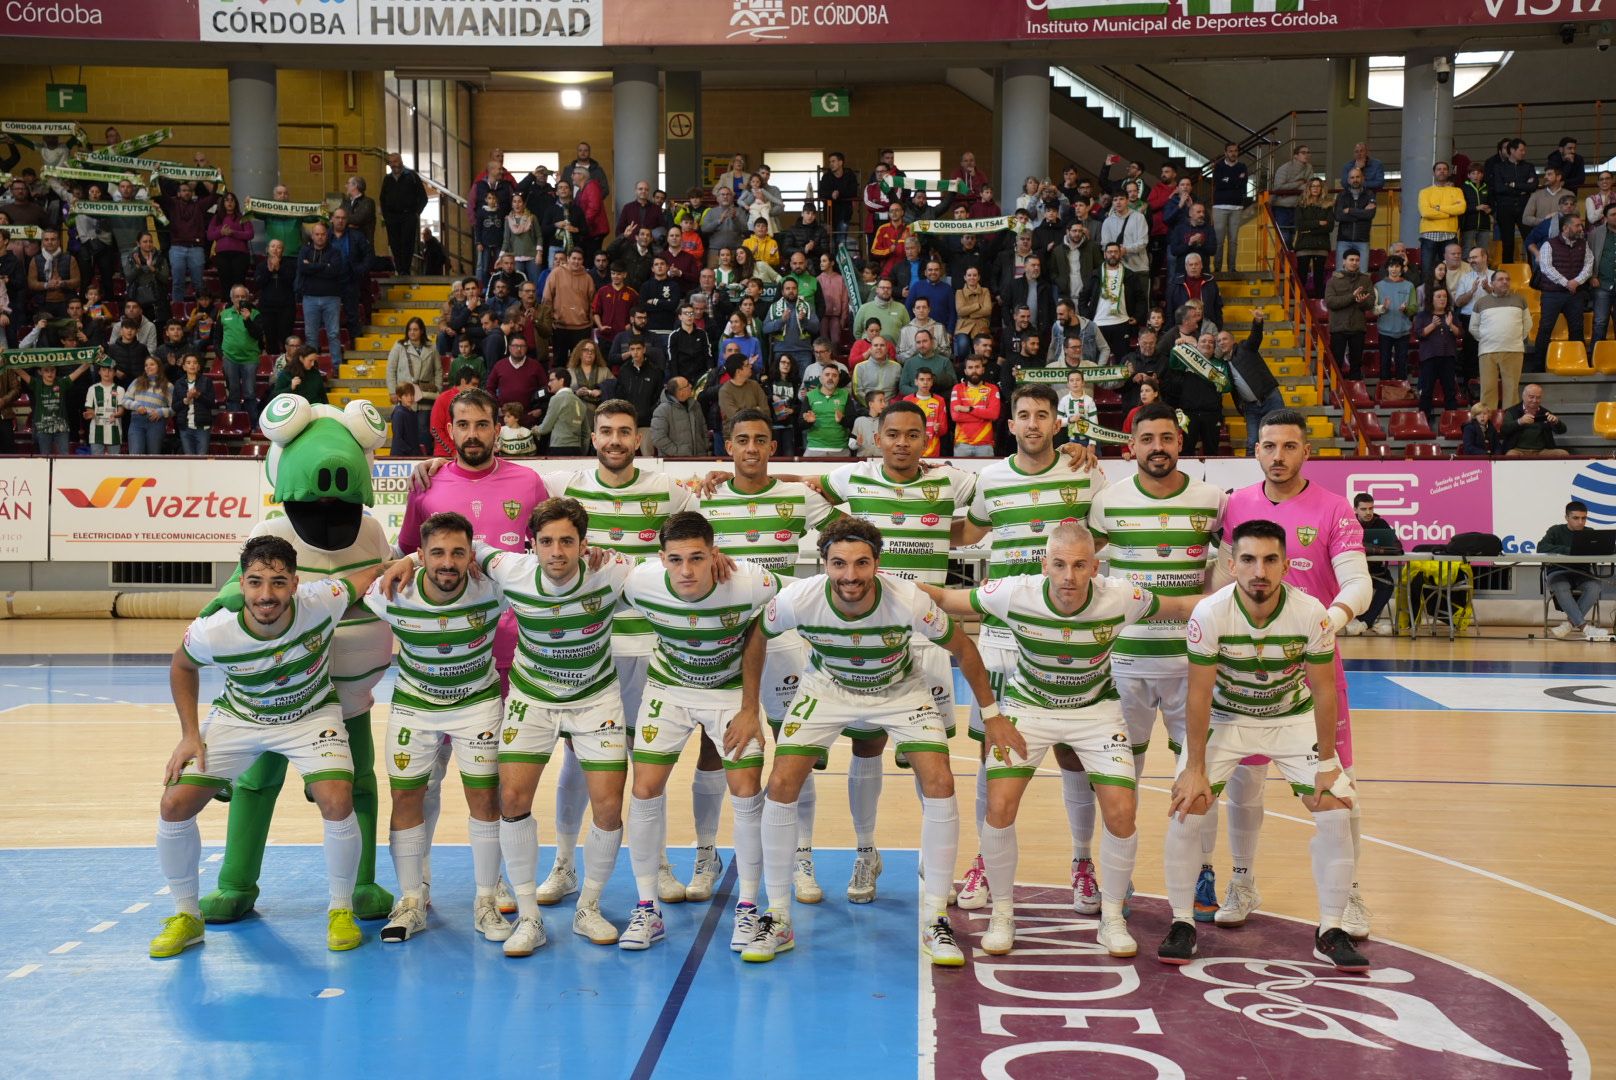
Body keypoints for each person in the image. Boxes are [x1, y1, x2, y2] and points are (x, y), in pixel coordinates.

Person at [929, 518, 1203, 956]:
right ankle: (1002, 914)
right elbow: (945, 597)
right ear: (1044, 565)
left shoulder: (1122, 597)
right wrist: (884, 585)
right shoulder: (1012, 593)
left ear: (1096, 567)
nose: (1069, 577)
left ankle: (1112, 918)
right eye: (1059, 565)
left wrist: (1239, 596)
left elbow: (1183, 608)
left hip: (1095, 710)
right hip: (1027, 707)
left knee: (1122, 810)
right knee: (999, 804)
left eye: (1079, 566)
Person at [741, 516, 998, 966]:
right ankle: (778, 915)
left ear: (877, 564)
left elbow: (963, 648)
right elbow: (757, 638)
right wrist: (748, 709)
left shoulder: (908, 600)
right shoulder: (798, 598)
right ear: (823, 564)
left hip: (899, 689)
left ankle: (936, 916)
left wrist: (992, 716)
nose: (850, 575)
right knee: (781, 784)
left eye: (861, 564)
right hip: (828, 687)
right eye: (838, 564)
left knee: (940, 782)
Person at [149, 537, 382, 958]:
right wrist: (189, 734)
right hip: (241, 717)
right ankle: (186, 916)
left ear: (295, 583)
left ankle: (341, 910)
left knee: (337, 798)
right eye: (255, 583)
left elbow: (365, 577)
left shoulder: (321, 600)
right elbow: (181, 664)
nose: (266, 595)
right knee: (174, 804)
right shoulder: (214, 630)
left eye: (278, 582)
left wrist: (407, 563)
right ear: (242, 583)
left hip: (310, 716)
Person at [1157, 520, 1369, 974]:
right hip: (1226, 718)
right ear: (1231, 565)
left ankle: (1330, 929)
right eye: (1249, 560)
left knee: (1335, 805)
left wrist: (1328, 761)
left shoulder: (1310, 613)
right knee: (1187, 802)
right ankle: (1180, 922)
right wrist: (1194, 767)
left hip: (1289, 719)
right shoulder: (1210, 614)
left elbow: (1325, 690)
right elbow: (1197, 694)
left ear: (1285, 565)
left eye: (1270, 560)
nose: (1260, 571)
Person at [1216, 410, 1373, 940]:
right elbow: (1221, 577)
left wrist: (1325, 623)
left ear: (1306, 451)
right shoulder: (1236, 504)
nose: (1278, 456)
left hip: (1313, 669)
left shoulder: (1333, 508)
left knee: (1338, 785)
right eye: (1268, 446)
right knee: (1245, 781)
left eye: (1289, 446)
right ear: (1255, 451)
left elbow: (1359, 583)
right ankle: (1242, 880)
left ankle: (1349, 892)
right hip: (1243, 669)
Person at [366, 513, 512, 946]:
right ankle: (411, 900)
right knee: (406, 795)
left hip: (478, 704)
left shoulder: (494, 588)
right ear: (421, 556)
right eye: (436, 553)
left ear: (472, 556)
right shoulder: (392, 591)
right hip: (415, 706)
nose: (447, 562)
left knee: (485, 798)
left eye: (457, 552)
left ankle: (485, 900)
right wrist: (399, 561)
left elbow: (539, 567)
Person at [1540, 500, 1612, 641]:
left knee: (1595, 586)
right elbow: (1541, 547)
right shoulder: (1555, 531)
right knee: (1560, 586)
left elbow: (1603, 550)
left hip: (1582, 573)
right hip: (1558, 572)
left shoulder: (1589, 533)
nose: (1580, 522)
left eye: (1584, 518)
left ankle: (1569, 625)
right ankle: (1584, 627)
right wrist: (1569, 551)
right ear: (1566, 517)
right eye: (1576, 518)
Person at [1532, 213, 1593, 366]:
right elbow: (1546, 267)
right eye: (1577, 225)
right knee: (1545, 329)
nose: (1581, 228)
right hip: (1552, 294)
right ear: (1566, 228)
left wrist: (1576, 282)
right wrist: (1567, 283)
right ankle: (1538, 367)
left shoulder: (1583, 244)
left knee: (1577, 329)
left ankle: (1576, 363)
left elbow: (1589, 265)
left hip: (1575, 294)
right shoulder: (1549, 244)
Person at [1346, 493, 1403, 637]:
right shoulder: (1348, 523)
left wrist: (1367, 548)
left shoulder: (1381, 523)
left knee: (1388, 585)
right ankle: (1349, 621)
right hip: (1353, 572)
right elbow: (1346, 545)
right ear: (1355, 510)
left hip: (1377, 573)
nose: (1368, 512)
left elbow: (1397, 548)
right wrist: (1378, 549)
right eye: (1364, 509)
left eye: (1371, 508)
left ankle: (1364, 623)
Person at [1082, 242, 1147, 360]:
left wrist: (1137, 316)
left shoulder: (1130, 275)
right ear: (1105, 254)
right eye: (1110, 252)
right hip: (1098, 323)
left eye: (1116, 252)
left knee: (1123, 360)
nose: (1113, 255)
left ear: (1120, 254)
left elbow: (1141, 298)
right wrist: (1087, 318)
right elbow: (1083, 298)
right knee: (1098, 361)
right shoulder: (1095, 274)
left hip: (1121, 322)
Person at [297, 223, 347, 371]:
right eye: (317, 234)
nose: (320, 237)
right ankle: (312, 368)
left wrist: (311, 267)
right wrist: (324, 266)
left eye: (323, 234)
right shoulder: (304, 250)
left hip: (331, 298)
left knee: (333, 333)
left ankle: (337, 367)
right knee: (310, 335)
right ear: (312, 236)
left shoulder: (335, 252)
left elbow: (334, 271)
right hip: (309, 298)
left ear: (327, 235)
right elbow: (302, 268)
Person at [1412, 287, 1462, 424]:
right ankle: (1423, 422)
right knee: (1426, 390)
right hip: (1429, 357)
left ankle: (1453, 421)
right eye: (1438, 296)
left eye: (1444, 296)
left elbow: (1459, 334)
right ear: (1431, 299)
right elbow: (1419, 334)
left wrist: (1450, 324)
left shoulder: (1450, 314)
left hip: (1448, 357)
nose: (1442, 299)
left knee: (1450, 391)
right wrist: (1433, 325)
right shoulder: (1423, 315)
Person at [1323, 249, 1375, 380]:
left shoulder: (1366, 280)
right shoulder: (1333, 281)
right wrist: (1352, 297)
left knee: (1356, 365)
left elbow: (1370, 303)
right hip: (1338, 327)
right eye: (1351, 260)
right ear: (1344, 261)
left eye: (1357, 260)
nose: (1354, 262)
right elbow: (1331, 302)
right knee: (1336, 364)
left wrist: (1362, 302)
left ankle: (1355, 394)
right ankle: (1335, 394)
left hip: (1358, 327)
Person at [381, 152, 430, 273]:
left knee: (407, 243)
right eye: (391, 162)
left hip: (408, 216)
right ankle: (399, 268)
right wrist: (386, 215)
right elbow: (382, 198)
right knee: (394, 244)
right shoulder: (387, 179)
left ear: (401, 161)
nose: (394, 165)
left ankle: (405, 270)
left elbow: (423, 197)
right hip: (392, 217)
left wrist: (416, 213)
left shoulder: (412, 176)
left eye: (395, 161)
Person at [1417, 163, 1467, 277]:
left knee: (1451, 270)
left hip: (1449, 235)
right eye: (1439, 169)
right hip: (1429, 235)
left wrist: (1439, 208)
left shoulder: (1457, 191)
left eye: (1445, 169)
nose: (1442, 171)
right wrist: (1449, 213)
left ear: (1448, 172)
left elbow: (1461, 208)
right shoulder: (1424, 192)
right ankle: (1428, 294)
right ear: (1434, 173)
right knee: (1427, 269)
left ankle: (1448, 294)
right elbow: (1425, 212)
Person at [1500, 383, 1569, 457]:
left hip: (1542, 451)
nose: (1535, 400)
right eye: (1531, 397)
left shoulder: (1545, 413)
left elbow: (1562, 430)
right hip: (1518, 450)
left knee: (1563, 454)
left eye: (1538, 397)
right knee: (1511, 455)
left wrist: (1556, 422)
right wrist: (1519, 422)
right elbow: (1504, 430)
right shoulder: (1512, 411)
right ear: (1523, 396)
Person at [1210, 143, 1249, 273]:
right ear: (1225, 152)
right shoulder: (1219, 166)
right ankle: (1217, 268)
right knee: (1219, 240)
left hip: (1237, 207)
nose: (1233, 153)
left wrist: (1227, 180)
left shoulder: (1242, 166)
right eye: (1230, 151)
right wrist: (1235, 181)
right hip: (1220, 206)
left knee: (1233, 240)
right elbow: (1218, 184)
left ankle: (1232, 268)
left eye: (1235, 151)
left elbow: (1242, 184)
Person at [207, 192, 255, 296]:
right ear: (223, 203)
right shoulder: (217, 217)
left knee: (239, 283)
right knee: (225, 283)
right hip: (222, 256)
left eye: (232, 200)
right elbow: (209, 236)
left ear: (235, 203)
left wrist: (233, 232)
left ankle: (240, 306)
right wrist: (221, 232)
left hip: (240, 255)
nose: (229, 202)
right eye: (227, 200)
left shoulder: (243, 216)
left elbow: (250, 234)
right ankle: (227, 308)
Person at [1293, 178, 1334, 297]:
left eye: (1318, 186)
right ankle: (1298, 303)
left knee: (1319, 278)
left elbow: (1329, 227)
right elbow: (1299, 225)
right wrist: (1318, 223)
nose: (1315, 188)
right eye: (1313, 186)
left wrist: (1309, 228)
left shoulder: (1328, 205)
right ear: (1308, 188)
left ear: (1322, 189)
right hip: (1304, 245)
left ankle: (1318, 304)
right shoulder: (1301, 205)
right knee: (1301, 277)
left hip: (1321, 245)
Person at [650, 376, 708, 456]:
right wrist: (678, 453)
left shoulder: (695, 405)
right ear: (680, 392)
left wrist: (705, 447)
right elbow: (658, 439)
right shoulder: (662, 411)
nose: (691, 386)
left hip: (699, 458)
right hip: (674, 462)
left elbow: (703, 428)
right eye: (687, 385)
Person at [534, 368, 587, 454]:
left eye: (551, 380)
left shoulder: (556, 398)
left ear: (561, 381)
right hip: (577, 448)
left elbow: (545, 428)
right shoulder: (580, 402)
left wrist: (534, 430)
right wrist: (582, 452)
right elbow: (586, 433)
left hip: (559, 447)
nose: (548, 383)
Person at [1268, 145, 1312, 247]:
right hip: (1281, 206)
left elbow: (1309, 185)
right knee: (1285, 236)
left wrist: (1297, 185)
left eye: (1308, 152)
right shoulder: (1284, 168)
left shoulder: (1309, 167)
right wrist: (1298, 183)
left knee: (1296, 236)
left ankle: (1291, 261)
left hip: (1298, 206)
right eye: (1303, 152)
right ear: (1295, 156)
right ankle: (1284, 260)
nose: (1307, 155)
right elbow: (1278, 187)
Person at [172, 352, 215, 457]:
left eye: (195, 363)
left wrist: (198, 395)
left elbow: (211, 404)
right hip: (185, 427)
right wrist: (186, 400)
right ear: (184, 367)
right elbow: (174, 407)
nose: (192, 365)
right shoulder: (179, 383)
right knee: (189, 460)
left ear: (199, 367)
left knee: (201, 459)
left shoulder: (206, 381)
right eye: (188, 363)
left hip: (202, 427)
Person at [1333, 168, 1376, 270]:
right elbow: (1338, 216)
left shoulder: (1370, 194)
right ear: (1348, 180)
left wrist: (1350, 211)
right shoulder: (1342, 195)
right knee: (1340, 273)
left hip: (1362, 240)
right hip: (1344, 240)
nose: (1355, 179)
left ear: (1362, 178)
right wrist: (1361, 213)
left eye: (1357, 177)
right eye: (1352, 177)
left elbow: (1370, 215)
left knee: (1363, 274)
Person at [82, 361, 125, 455]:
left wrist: (116, 414)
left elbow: (121, 410)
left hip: (114, 431)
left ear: (114, 373)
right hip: (96, 432)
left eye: (110, 370)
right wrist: (90, 414)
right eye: (104, 370)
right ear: (99, 372)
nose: (107, 373)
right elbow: (89, 409)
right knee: (97, 463)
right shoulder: (92, 389)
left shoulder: (120, 390)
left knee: (114, 463)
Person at [389, 382, 422, 458]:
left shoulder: (413, 414)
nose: (410, 398)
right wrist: (412, 452)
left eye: (412, 395)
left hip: (412, 455)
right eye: (406, 395)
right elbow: (398, 438)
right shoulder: (398, 413)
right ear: (399, 397)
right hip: (400, 456)